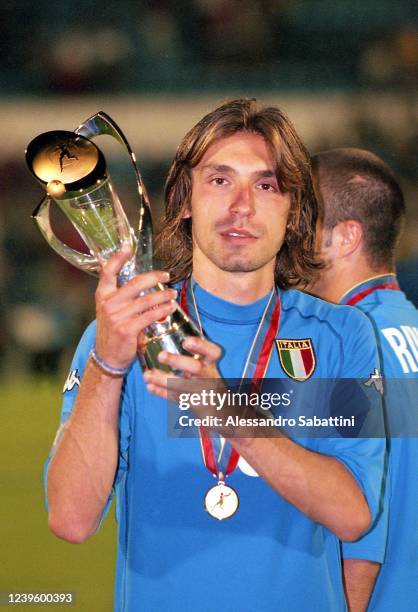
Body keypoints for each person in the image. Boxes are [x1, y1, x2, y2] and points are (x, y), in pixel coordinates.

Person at [46, 100, 386, 612]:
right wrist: (108, 363)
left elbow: (353, 515)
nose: (242, 206)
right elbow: (70, 520)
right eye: (220, 180)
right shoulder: (119, 335)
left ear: (294, 210)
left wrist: (225, 410)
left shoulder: (344, 335)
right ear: (184, 200)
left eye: (266, 185)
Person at [309, 148, 418, 612]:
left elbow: (359, 535)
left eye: (300, 222)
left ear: (345, 237)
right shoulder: (408, 327)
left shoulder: (347, 348)